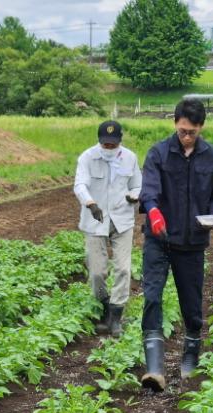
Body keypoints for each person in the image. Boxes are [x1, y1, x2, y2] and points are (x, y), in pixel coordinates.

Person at [138, 99, 213, 390]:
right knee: (152, 296)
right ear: (174, 124)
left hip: (192, 241)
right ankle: (154, 369)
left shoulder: (212, 157)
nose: (186, 136)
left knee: (191, 304)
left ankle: (190, 358)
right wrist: (152, 210)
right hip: (159, 238)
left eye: (191, 131)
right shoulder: (159, 153)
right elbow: (149, 189)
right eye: (181, 131)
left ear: (201, 127)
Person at [74, 120, 142, 337]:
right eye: (105, 145)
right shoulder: (87, 157)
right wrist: (90, 203)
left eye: (113, 145)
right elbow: (80, 185)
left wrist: (134, 196)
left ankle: (115, 317)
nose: (109, 149)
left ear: (120, 142)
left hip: (122, 219)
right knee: (96, 272)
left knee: (123, 268)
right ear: (99, 142)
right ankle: (103, 306)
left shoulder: (130, 158)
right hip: (95, 219)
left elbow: (137, 185)